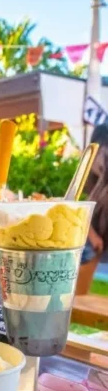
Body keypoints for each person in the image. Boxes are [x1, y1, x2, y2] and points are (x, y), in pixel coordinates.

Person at [76, 124, 108, 295]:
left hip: (96, 238)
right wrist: (93, 235)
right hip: (92, 240)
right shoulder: (95, 168)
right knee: (80, 294)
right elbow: (82, 211)